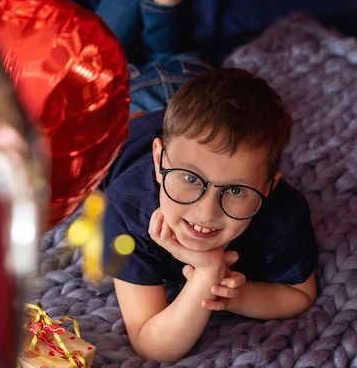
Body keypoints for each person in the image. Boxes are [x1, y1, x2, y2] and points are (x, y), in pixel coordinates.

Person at [100, 67, 319, 362]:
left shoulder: (283, 213)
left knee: (169, 49)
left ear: (269, 186)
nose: (206, 212)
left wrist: (216, 282)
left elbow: (301, 295)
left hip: (187, 81)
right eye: (190, 178)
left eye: (237, 190)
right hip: (129, 107)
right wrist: (207, 276)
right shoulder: (129, 209)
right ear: (158, 160)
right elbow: (150, 343)